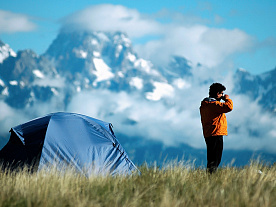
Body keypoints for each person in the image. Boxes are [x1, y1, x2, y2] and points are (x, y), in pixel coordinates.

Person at [199, 83, 233, 174]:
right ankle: (211, 178)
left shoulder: (204, 104)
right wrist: (227, 99)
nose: (222, 95)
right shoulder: (213, 104)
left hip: (208, 134)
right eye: (221, 93)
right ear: (217, 93)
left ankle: (210, 177)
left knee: (211, 158)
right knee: (216, 159)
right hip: (216, 133)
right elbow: (229, 107)